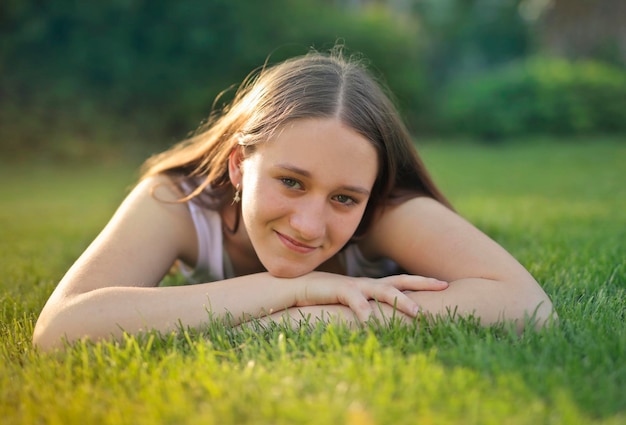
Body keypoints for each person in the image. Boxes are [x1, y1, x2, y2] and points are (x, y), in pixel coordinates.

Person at [33, 49, 555, 351]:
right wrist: (295, 289)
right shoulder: (179, 200)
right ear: (240, 164)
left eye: (345, 198)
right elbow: (60, 331)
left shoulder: (387, 212)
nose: (308, 224)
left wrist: (306, 314)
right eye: (291, 182)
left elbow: (526, 307)